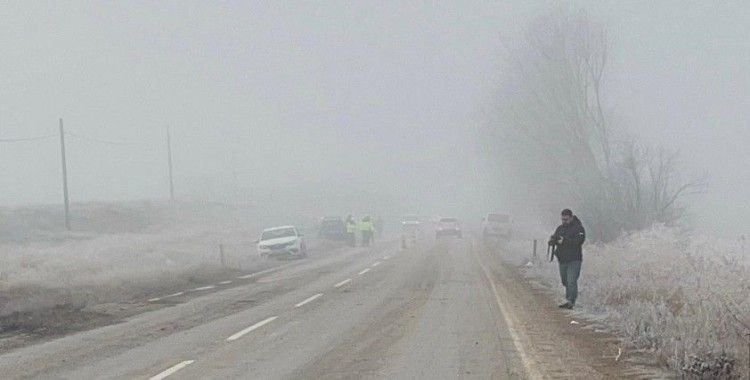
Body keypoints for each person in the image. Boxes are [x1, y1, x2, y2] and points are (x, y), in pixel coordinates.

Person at [549, 209, 586, 309]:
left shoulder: (579, 229)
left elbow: (578, 242)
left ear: (571, 217)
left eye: (566, 219)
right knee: (564, 281)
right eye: (562, 219)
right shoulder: (560, 228)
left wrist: (564, 241)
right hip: (562, 259)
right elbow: (555, 238)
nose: (564, 221)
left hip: (574, 259)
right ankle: (569, 298)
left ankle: (571, 301)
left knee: (571, 281)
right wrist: (552, 241)